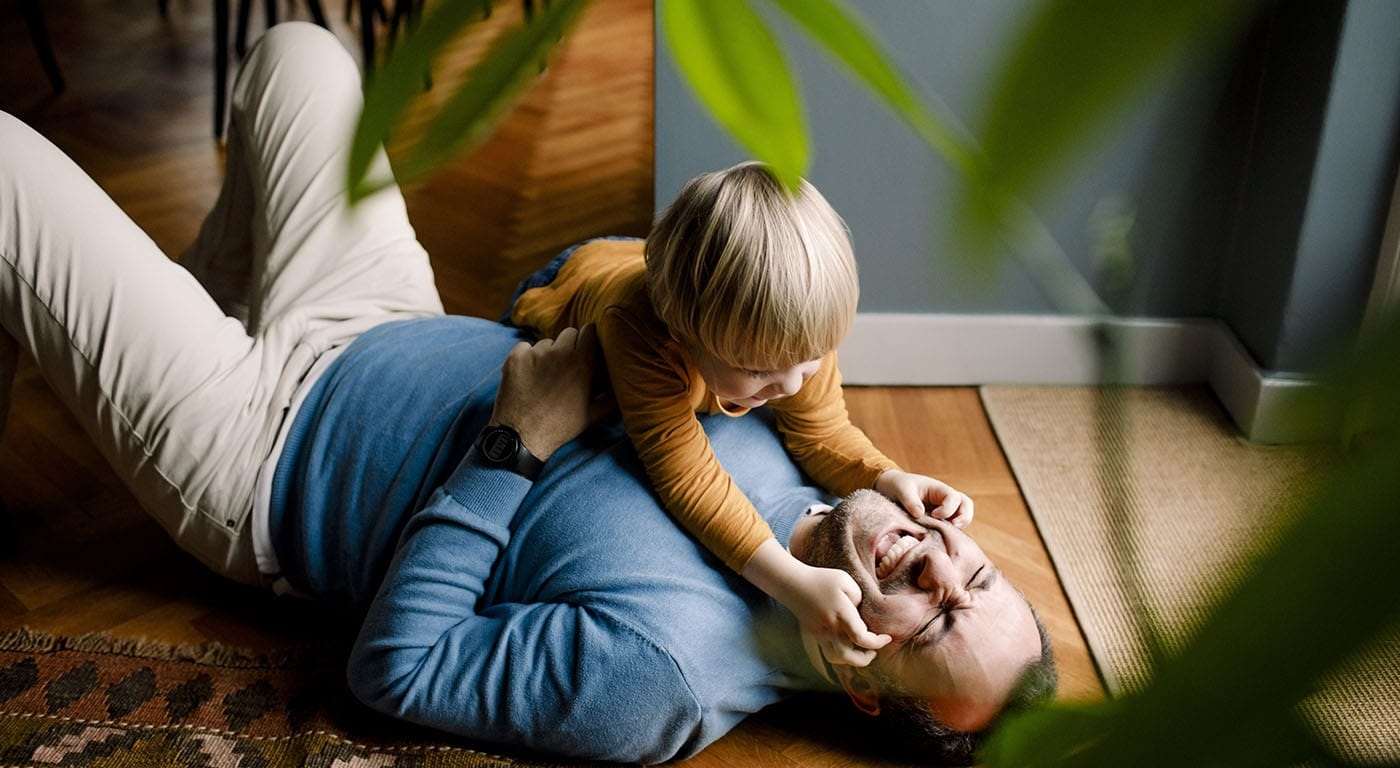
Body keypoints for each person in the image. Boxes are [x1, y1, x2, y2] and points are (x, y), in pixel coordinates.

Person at [0, 22, 1054, 765]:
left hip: (260, 451)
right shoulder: (802, 435)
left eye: (931, 620)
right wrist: (874, 468)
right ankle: (185, 304)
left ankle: (164, 345)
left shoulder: (661, 679)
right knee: (301, 56)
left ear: (862, 682)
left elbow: (397, 671)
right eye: (981, 578)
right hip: (383, 317)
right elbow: (602, 304)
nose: (941, 567)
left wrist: (515, 442)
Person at [507, 165, 975, 670]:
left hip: (655, 263)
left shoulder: (794, 336)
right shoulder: (640, 332)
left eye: (811, 361)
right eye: (758, 371)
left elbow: (821, 431)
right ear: (682, 336)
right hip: (576, 277)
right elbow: (684, 474)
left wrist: (885, 476)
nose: (792, 385)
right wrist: (790, 582)